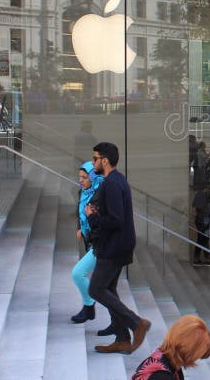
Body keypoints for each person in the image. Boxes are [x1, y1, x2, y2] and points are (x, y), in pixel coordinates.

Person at [85, 142, 151, 354]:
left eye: (95, 159)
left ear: (104, 160)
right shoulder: (116, 180)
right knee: (109, 289)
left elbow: (116, 220)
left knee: (95, 288)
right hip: (118, 244)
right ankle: (122, 339)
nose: (93, 162)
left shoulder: (111, 184)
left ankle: (137, 322)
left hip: (114, 246)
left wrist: (93, 217)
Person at [131, 315, 210, 380]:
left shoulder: (163, 358)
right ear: (187, 351)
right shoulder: (162, 376)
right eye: (196, 356)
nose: (194, 360)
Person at [70, 161, 104, 323]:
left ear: (93, 177)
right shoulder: (82, 193)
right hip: (92, 241)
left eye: (84, 177)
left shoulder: (99, 197)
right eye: (79, 177)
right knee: (108, 288)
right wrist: (80, 227)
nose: (81, 180)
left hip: (101, 244)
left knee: (78, 273)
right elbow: (80, 211)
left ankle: (89, 306)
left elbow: (100, 221)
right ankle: (117, 324)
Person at [191, 184, 210, 266]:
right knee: (202, 239)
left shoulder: (201, 195)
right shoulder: (201, 195)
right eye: (209, 189)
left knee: (203, 238)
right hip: (202, 220)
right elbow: (195, 209)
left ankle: (202, 257)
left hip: (203, 219)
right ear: (206, 188)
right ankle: (200, 258)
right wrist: (196, 219)